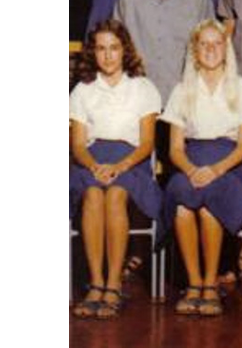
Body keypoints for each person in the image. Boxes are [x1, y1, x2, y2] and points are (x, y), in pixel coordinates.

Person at [161, 19, 242, 316]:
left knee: (208, 206)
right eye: (203, 44)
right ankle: (192, 283)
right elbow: (175, 149)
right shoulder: (182, 89)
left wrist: (215, 170)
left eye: (217, 43)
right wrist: (192, 170)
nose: (210, 49)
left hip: (229, 164)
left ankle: (209, 283)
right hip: (190, 161)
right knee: (181, 203)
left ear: (226, 49)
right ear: (194, 50)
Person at [70, 20, 163, 320]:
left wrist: (120, 166)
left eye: (114, 48)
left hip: (131, 160)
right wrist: (95, 166)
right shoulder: (83, 90)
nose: (108, 56)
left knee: (115, 195)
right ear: (93, 53)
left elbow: (147, 143)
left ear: (125, 50)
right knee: (93, 195)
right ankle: (95, 283)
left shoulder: (142, 87)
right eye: (101, 49)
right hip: (92, 161)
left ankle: (113, 284)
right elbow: (79, 145)